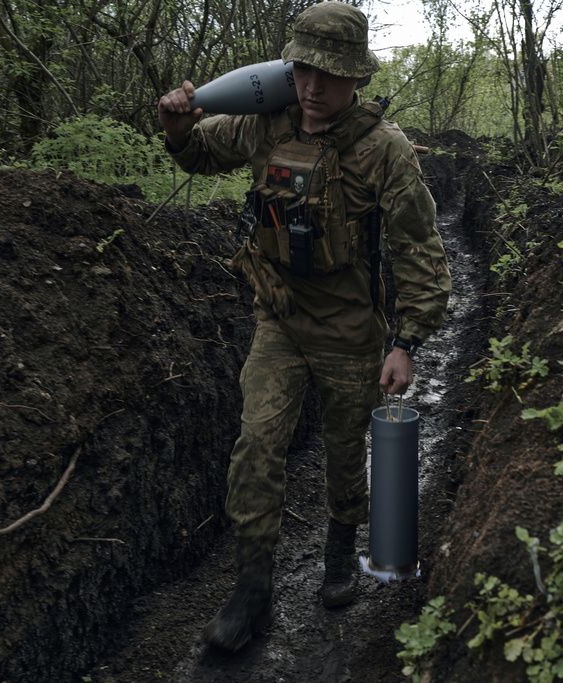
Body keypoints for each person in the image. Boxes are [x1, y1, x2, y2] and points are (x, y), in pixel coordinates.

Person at [157, 0, 451, 652]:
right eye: (302, 71)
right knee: (256, 443)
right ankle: (251, 587)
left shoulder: (385, 153)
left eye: (330, 75)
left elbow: (421, 255)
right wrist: (177, 130)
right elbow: (200, 154)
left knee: (347, 457)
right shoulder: (268, 124)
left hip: (350, 330)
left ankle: (341, 548)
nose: (313, 88)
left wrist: (406, 342)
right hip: (280, 316)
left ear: (357, 79)